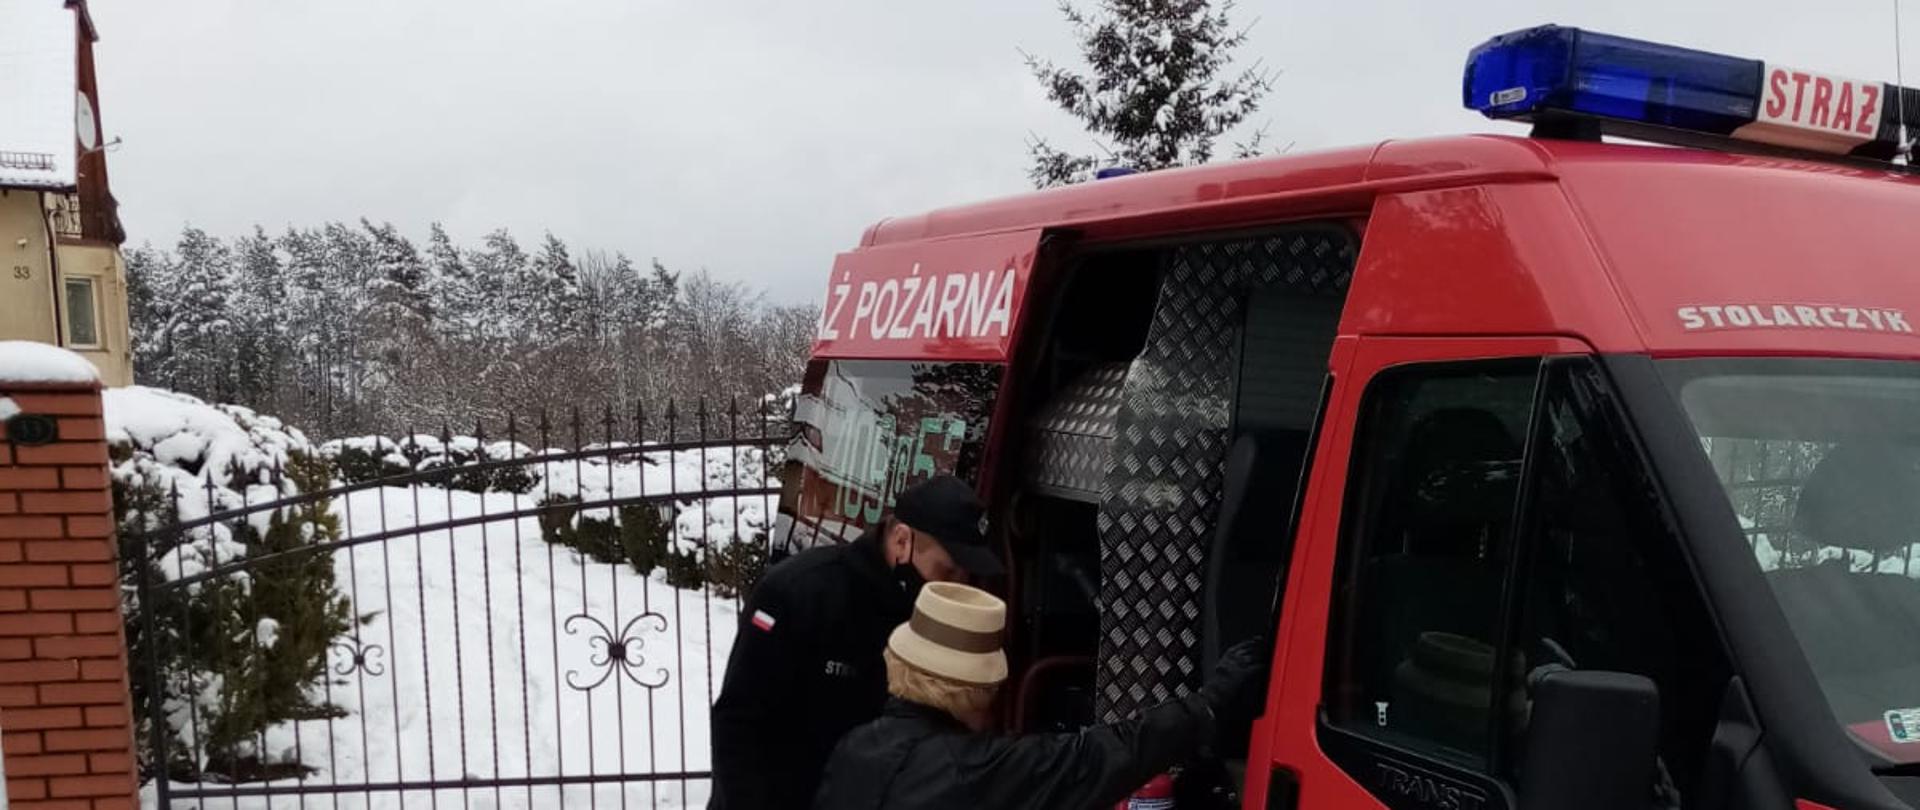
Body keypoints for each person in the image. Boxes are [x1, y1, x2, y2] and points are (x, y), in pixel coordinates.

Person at [813, 581, 1270, 810]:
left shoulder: (854, 749)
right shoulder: (972, 771)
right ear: (976, 691)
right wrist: (1211, 702)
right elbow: (1096, 758)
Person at [709, 475, 1004, 810]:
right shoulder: (797, 592)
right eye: (947, 571)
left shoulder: (932, 618)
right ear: (902, 540)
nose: (957, 585)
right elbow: (740, 725)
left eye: (967, 575)